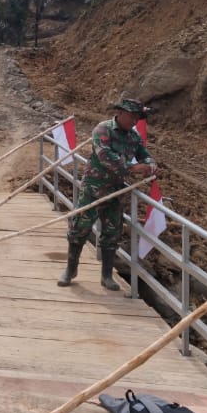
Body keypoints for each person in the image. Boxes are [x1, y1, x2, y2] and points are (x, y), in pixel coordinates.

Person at [59, 97, 158, 291]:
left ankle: (106, 275)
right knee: (80, 228)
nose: (134, 121)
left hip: (115, 191)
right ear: (120, 113)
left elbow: (142, 153)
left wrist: (150, 164)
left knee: (112, 233)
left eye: (137, 117)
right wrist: (133, 168)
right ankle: (70, 270)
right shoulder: (103, 129)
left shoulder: (133, 136)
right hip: (94, 189)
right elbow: (105, 156)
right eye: (131, 116)